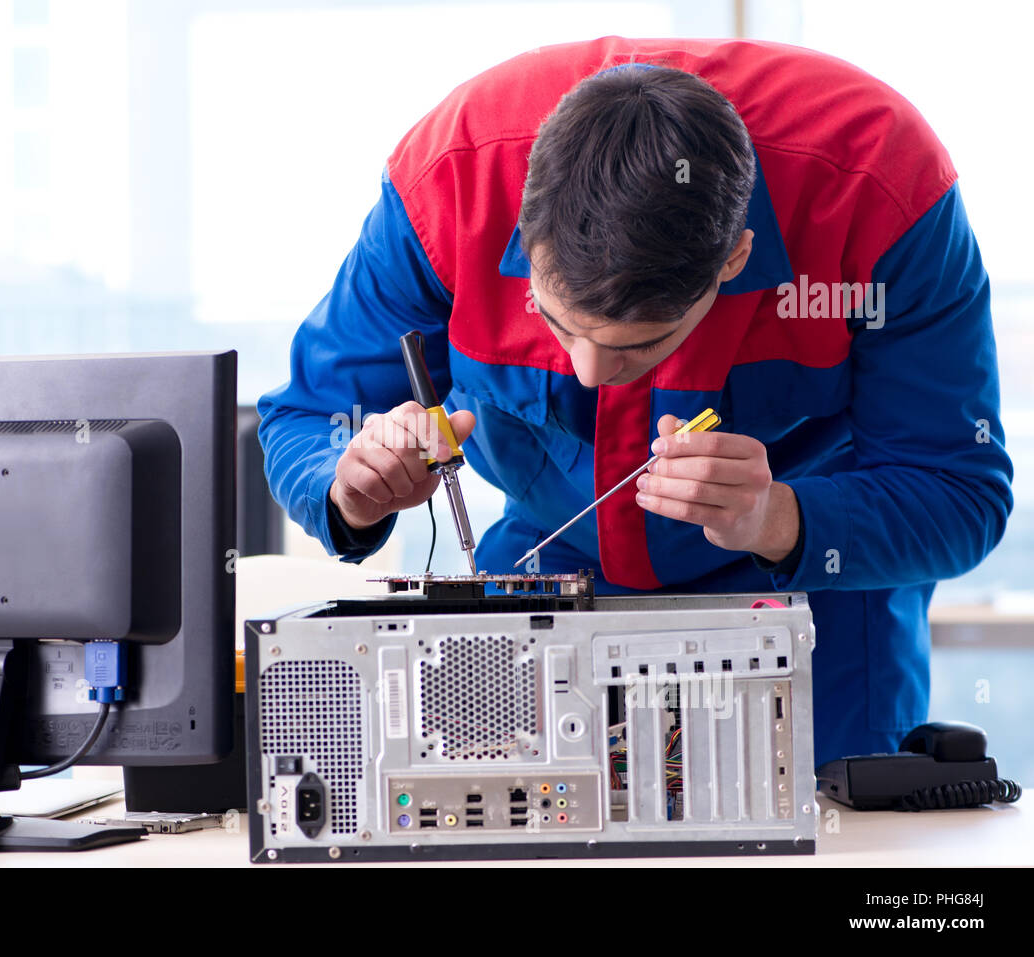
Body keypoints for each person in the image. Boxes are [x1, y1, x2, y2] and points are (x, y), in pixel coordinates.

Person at [256, 37, 1013, 766]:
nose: (590, 374)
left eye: (637, 346)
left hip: (817, 603)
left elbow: (959, 491)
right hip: (542, 587)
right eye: (558, 325)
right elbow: (306, 415)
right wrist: (350, 487)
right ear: (523, 226)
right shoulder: (450, 184)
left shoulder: (881, 188)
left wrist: (778, 518)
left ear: (735, 258)